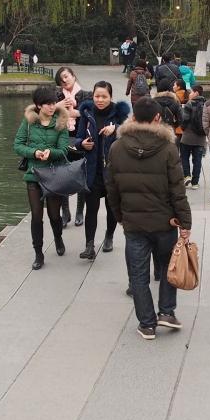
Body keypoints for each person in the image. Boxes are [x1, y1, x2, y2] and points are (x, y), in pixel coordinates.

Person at [105, 97, 192, 341]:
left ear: (133, 118)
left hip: (133, 223)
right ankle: (167, 312)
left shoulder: (117, 148)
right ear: (157, 118)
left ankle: (147, 324)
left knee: (138, 274)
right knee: (167, 266)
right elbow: (177, 190)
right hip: (164, 221)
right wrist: (185, 223)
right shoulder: (168, 148)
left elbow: (111, 188)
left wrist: (120, 216)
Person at [12, 85, 70, 271]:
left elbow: (63, 150)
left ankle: (58, 238)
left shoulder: (61, 122)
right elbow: (18, 145)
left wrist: (50, 153)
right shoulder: (29, 122)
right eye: (48, 104)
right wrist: (34, 152)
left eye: (54, 103)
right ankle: (38, 253)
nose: (52, 107)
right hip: (34, 174)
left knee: (54, 215)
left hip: (53, 174)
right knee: (36, 216)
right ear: (38, 105)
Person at [74, 81, 130, 260]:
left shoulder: (119, 113)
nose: (100, 100)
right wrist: (82, 144)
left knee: (111, 207)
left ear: (110, 97)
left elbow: (129, 136)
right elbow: (78, 138)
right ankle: (89, 245)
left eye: (104, 96)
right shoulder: (86, 112)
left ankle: (109, 236)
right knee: (91, 208)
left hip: (113, 170)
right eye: (97, 96)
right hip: (92, 170)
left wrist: (116, 129)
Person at [55, 66, 88, 226]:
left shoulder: (86, 95)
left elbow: (94, 112)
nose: (65, 80)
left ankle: (80, 211)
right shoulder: (56, 96)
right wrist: (59, 105)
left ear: (73, 76)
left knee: (81, 174)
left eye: (66, 76)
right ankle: (65, 211)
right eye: (61, 79)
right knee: (62, 176)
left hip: (81, 139)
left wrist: (78, 112)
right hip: (62, 139)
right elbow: (44, 113)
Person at [178, 82, 207, 189]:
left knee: (184, 157)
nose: (189, 94)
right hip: (201, 138)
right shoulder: (206, 105)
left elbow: (185, 119)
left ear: (196, 93)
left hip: (188, 136)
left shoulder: (189, 104)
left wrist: (183, 128)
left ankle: (187, 176)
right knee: (197, 160)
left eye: (191, 92)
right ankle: (195, 183)